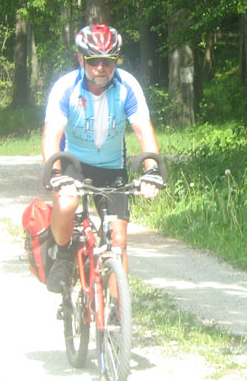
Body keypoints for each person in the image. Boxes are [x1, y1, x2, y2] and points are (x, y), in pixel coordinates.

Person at [41, 23, 164, 294]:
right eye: (93, 60)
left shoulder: (127, 86)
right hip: (74, 164)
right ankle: (63, 256)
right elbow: (51, 137)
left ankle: (118, 312)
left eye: (108, 61)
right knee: (66, 202)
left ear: (116, 60)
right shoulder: (66, 87)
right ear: (80, 59)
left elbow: (144, 131)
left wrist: (152, 170)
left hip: (112, 168)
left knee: (118, 241)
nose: (101, 67)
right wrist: (57, 174)